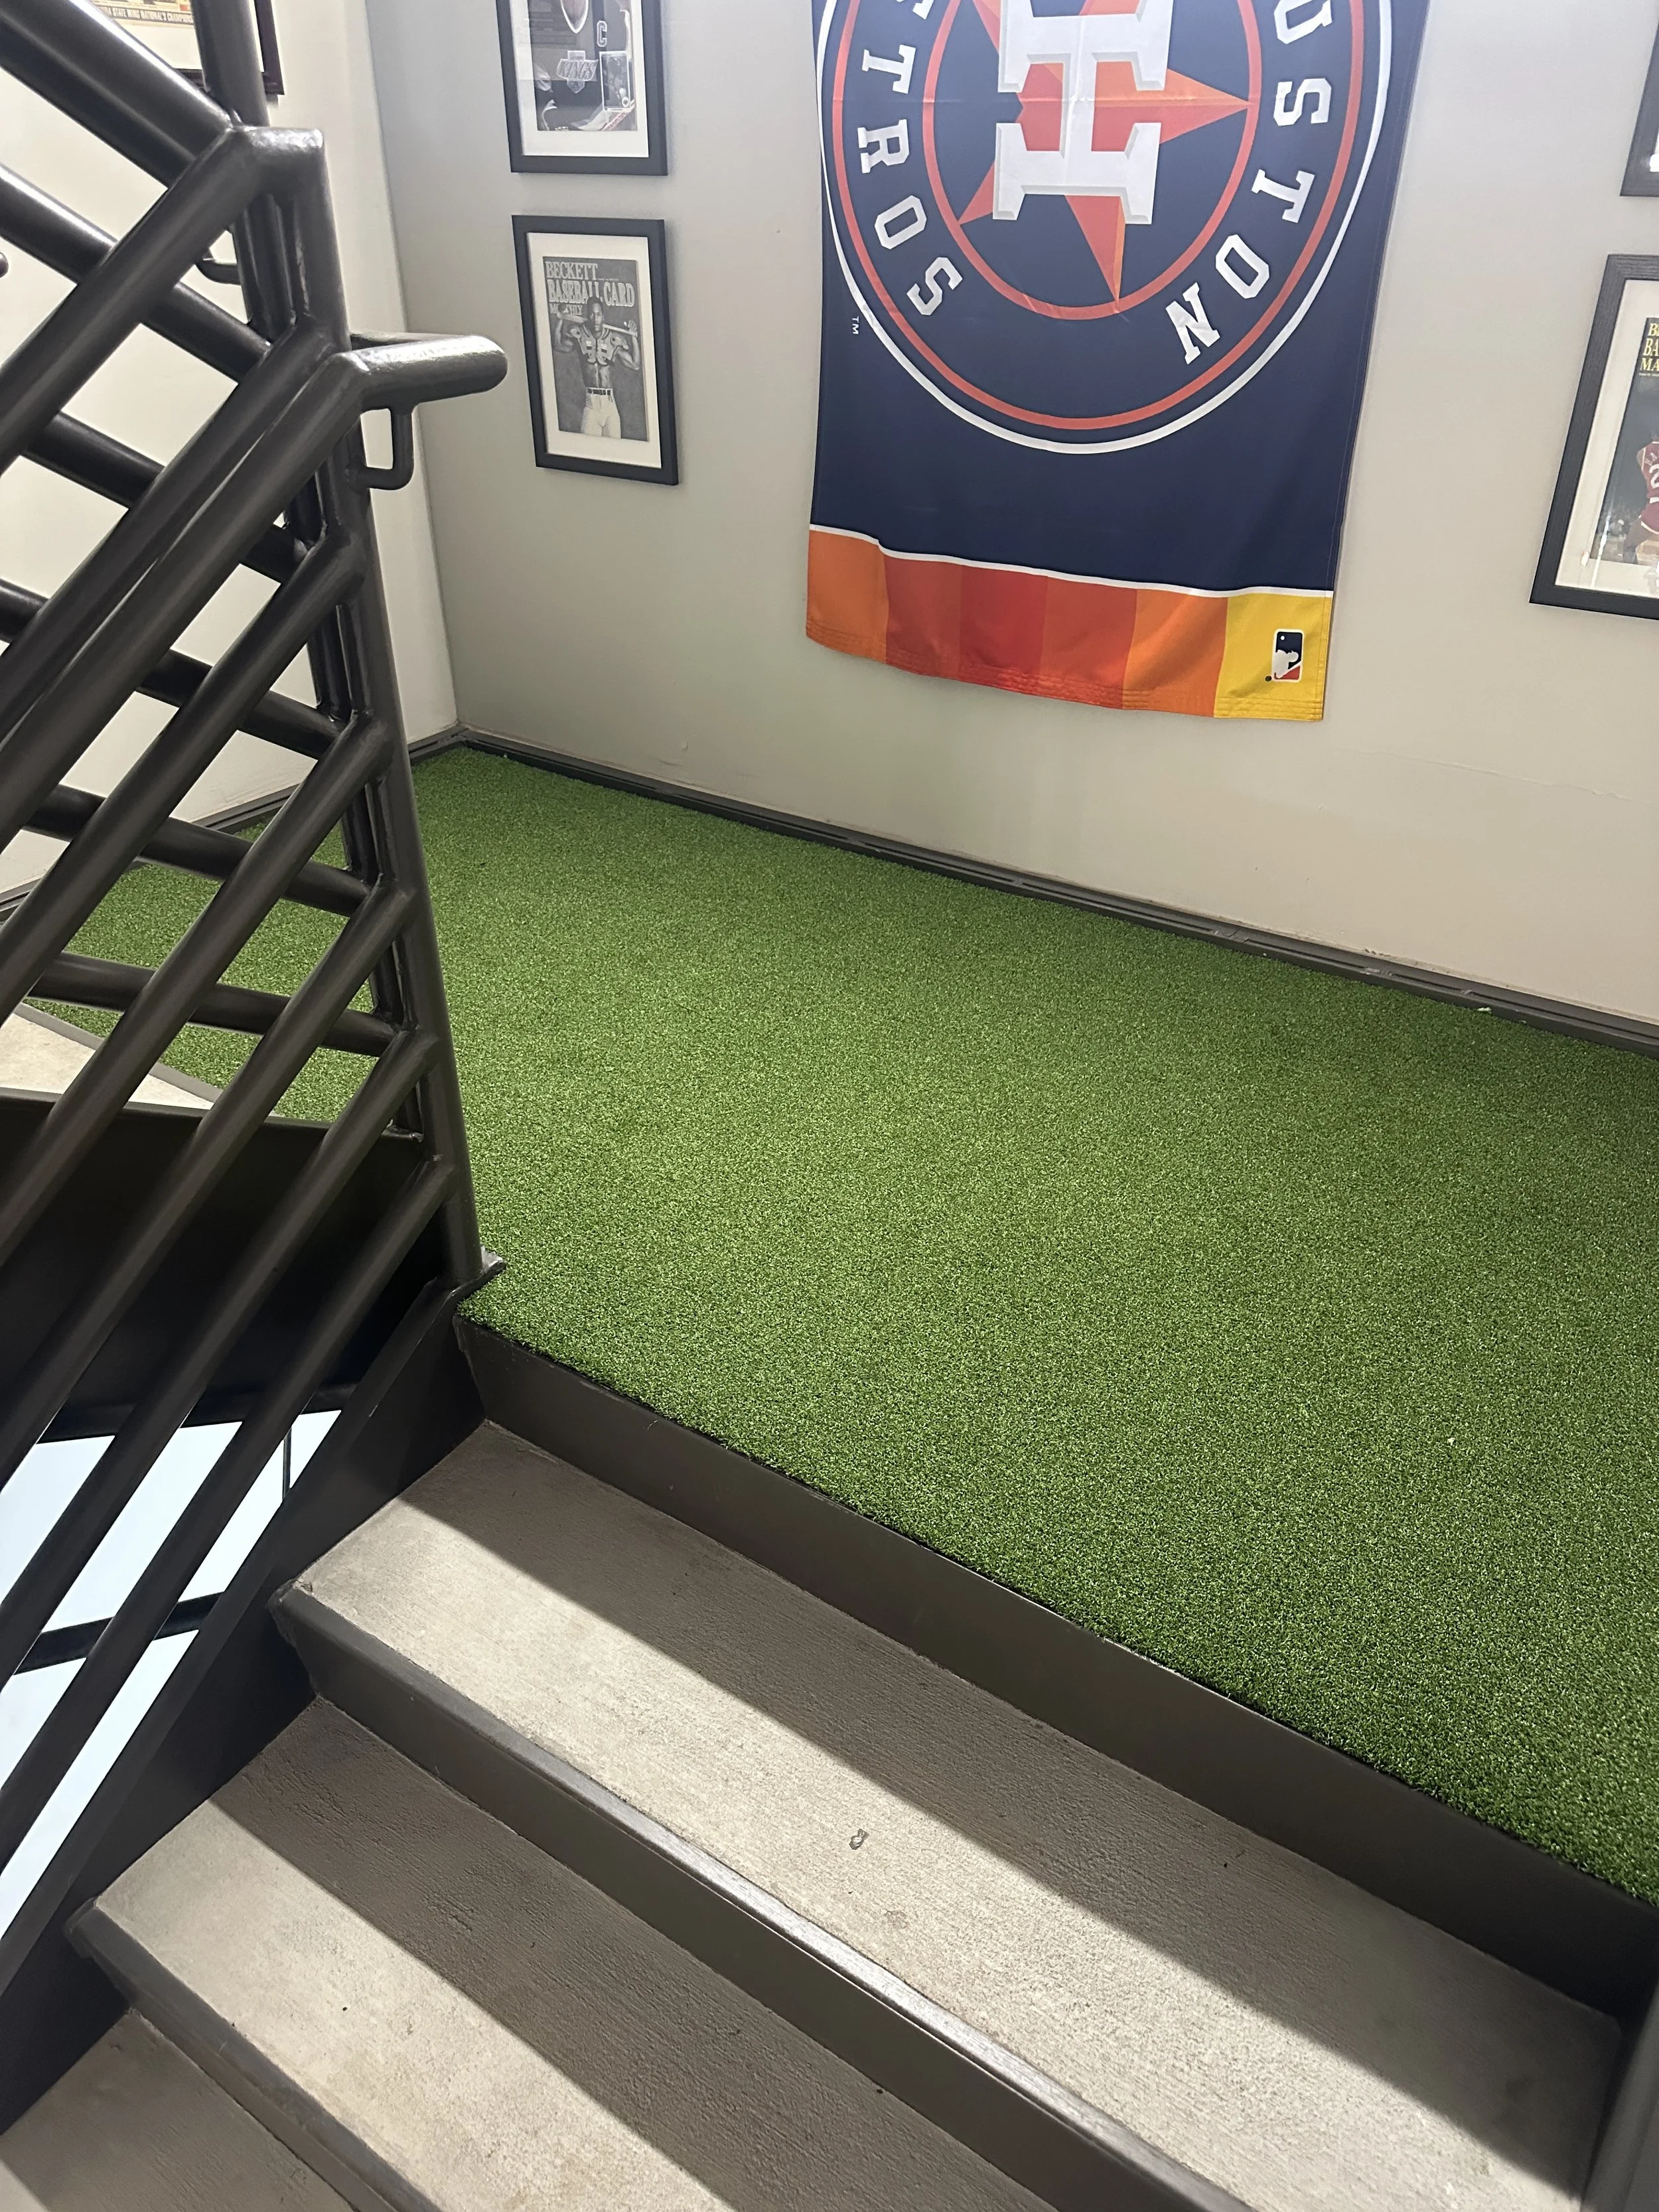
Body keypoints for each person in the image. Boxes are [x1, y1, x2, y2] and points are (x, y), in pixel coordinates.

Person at [553, 294, 640, 439]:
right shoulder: (581, 336)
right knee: (587, 451)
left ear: (603, 316)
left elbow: (635, 364)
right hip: (591, 406)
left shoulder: (613, 340)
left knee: (615, 454)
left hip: (610, 405)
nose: (596, 319)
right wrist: (560, 320)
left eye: (599, 314)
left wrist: (633, 337)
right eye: (592, 315)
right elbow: (558, 345)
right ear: (588, 316)